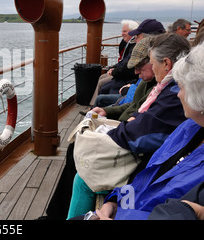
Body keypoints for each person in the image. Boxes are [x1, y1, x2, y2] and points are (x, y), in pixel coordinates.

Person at [67, 33, 191, 219]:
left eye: (150, 61)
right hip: (146, 171)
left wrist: (122, 128)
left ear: (166, 64)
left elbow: (140, 136)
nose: (182, 94)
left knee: (83, 177)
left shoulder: (173, 96)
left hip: (143, 174)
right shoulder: (172, 98)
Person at [94, 41, 204, 220]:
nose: (178, 93)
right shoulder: (189, 128)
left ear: (200, 96)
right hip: (126, 207)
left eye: (182, 87)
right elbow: (146, 176)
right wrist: (114, 201)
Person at [88, 20, 138, 106]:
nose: (122, 34)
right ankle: (93, 105)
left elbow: (128, 68)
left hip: (126, 78)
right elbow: (124, 61)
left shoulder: (135, 47)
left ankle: (94, 106)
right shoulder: (128, 44)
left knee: (102, 83)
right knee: (102, 78)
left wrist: (114, 71)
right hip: (122, 73)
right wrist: (113, 68)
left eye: (125, 31)